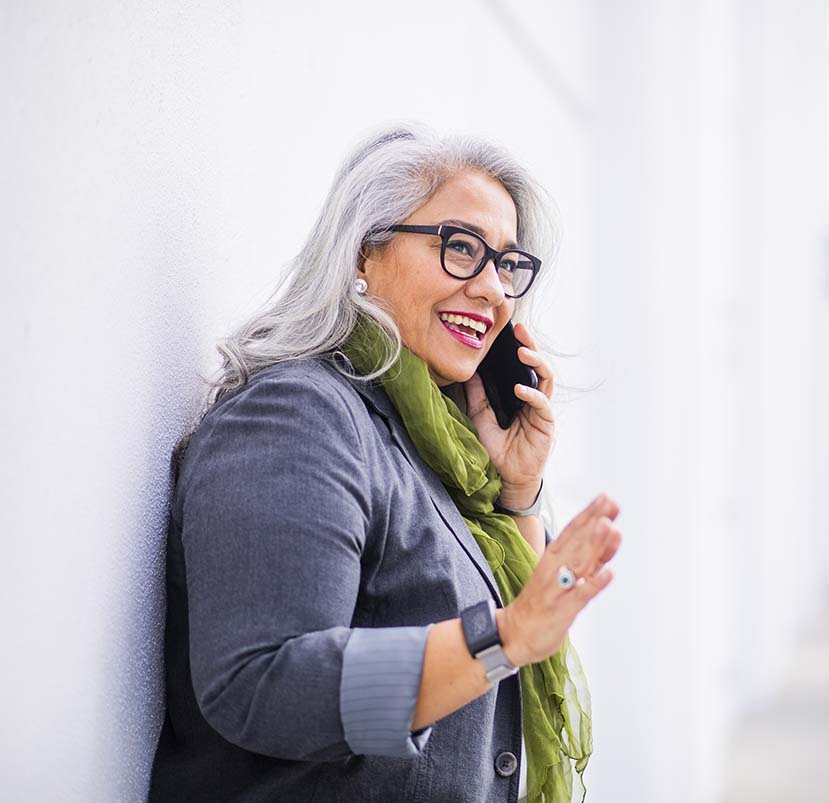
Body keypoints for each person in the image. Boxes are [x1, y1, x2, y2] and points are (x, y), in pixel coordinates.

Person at [148, 123, 622, 803]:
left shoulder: (439, 446)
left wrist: (516, 494)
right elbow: (261, 684)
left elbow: (504, 668)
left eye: (508, 264)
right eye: (461, 247)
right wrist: (504, 637)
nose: (493, 289)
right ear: (364, 252)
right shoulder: (298, 415)